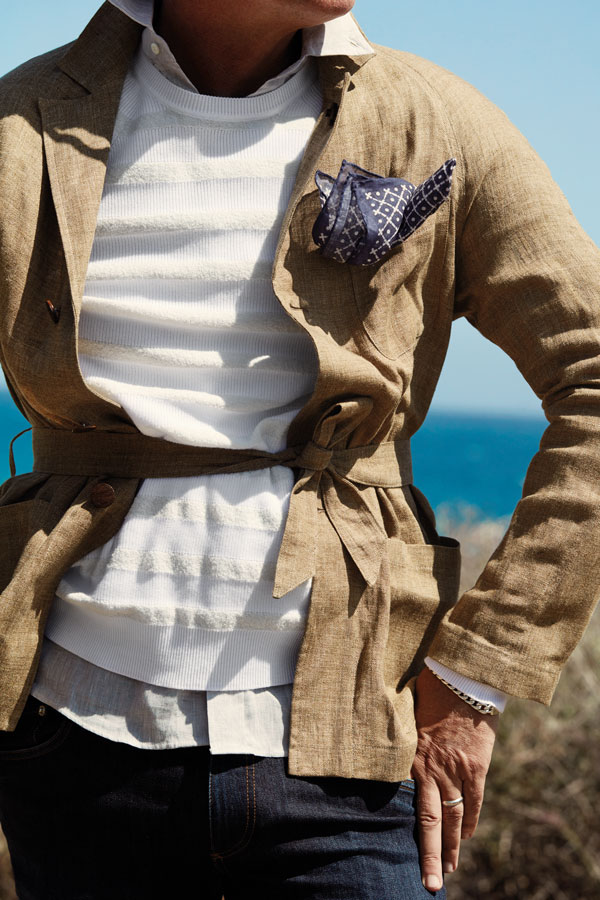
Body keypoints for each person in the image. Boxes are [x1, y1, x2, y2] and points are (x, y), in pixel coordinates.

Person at [0, 1, 598, 897]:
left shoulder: (435, 117)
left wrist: (477, 672)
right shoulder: (24, 124)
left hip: (356, 751)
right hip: (70, 742)